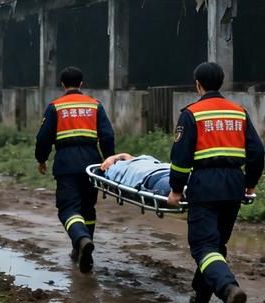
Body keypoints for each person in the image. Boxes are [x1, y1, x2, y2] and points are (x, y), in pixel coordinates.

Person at [167, 61, 264, 303]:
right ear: (221, 83)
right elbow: (257, 152)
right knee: (216, 245)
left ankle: (228, 289)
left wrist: (176, 189)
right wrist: (250, 184)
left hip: (205, 185)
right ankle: (201, 298)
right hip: (233, 184)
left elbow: (181, 159)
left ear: (197, 84)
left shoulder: (191, 114)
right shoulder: (238, 112)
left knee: (203, 246)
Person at [35, 66, 115, 273]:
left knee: (69, 208)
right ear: (81, 83)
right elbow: (107, 135)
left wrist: (41, 159)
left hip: (66, 163)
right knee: (88, 209)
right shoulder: (95, 105)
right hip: (92, 163)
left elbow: (43, 137)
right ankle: (80, 249)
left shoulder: (55, 107)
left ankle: (81, 240)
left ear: (62, 85)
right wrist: (109, 159)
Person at [100, 152, 172, 197]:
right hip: (152, 178)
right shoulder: (115, 168)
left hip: (169, 171)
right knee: (174, 188)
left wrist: (119, 156)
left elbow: (125, 155)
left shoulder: (145, 158)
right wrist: (112, 159)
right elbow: (105, 167)